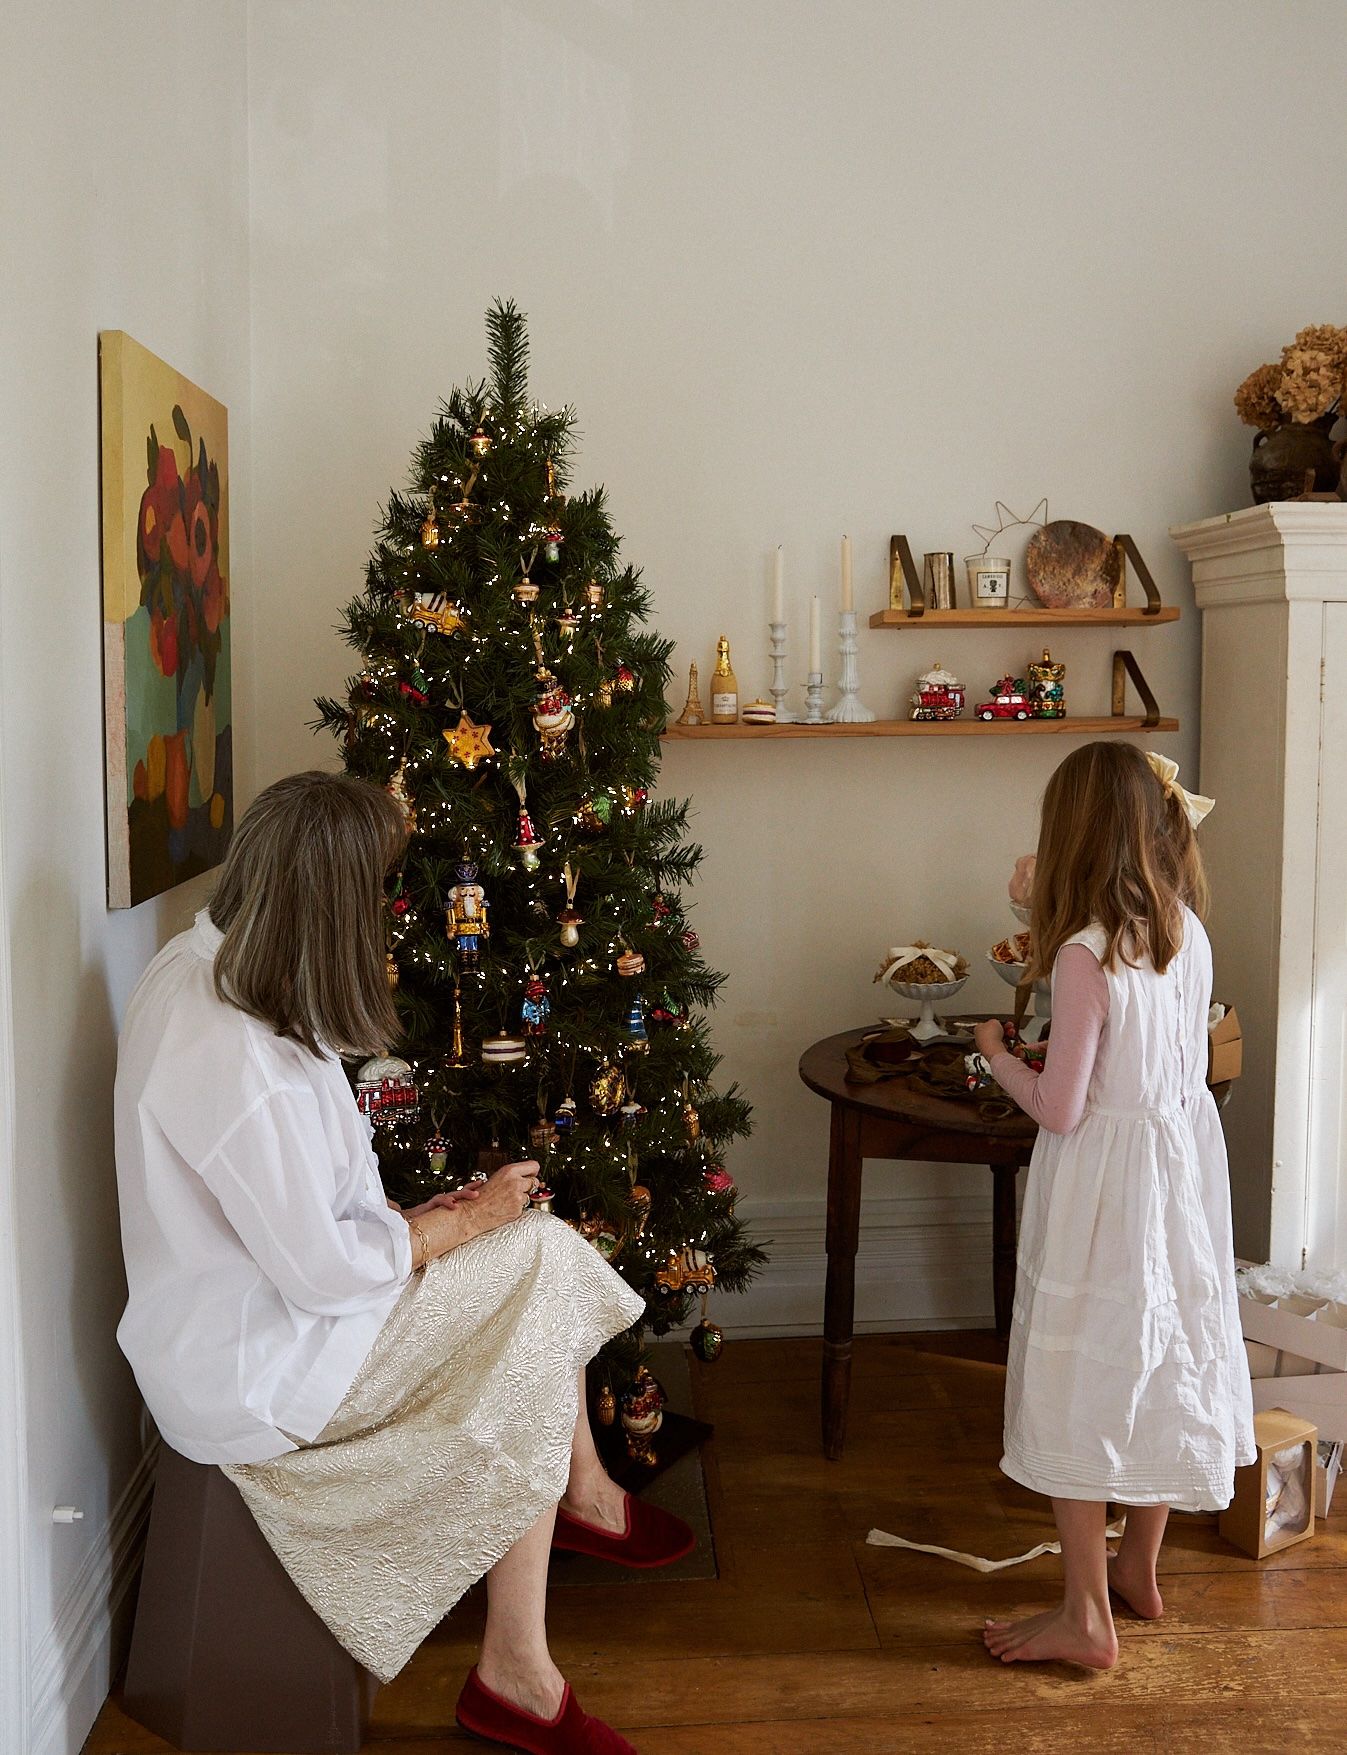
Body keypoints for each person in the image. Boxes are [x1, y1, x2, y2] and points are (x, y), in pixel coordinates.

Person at [115, 771, 693, 1755]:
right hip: (265, 1370)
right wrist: (447, 1232)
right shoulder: (228, 1049)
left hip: (278, 1314)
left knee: (533, 1257)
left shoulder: (209, 969)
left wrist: (409, 1219)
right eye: (373, 892)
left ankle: (563, 1547)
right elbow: (326, 1275)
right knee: (533, 1274)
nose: (384, 912)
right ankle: (528, 1641)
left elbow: (294, 1209)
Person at [972, 743, 1253, 1669]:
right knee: (1159, 1353)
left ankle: (1085, 1613)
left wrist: (996, 1054)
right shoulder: (1185, 929)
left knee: (1081, 1377)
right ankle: (1137, 1565)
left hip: (1103, 1190)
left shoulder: (1083, 956)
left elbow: (1061, 1106)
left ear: (1071, 837)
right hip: (1177, 1177)